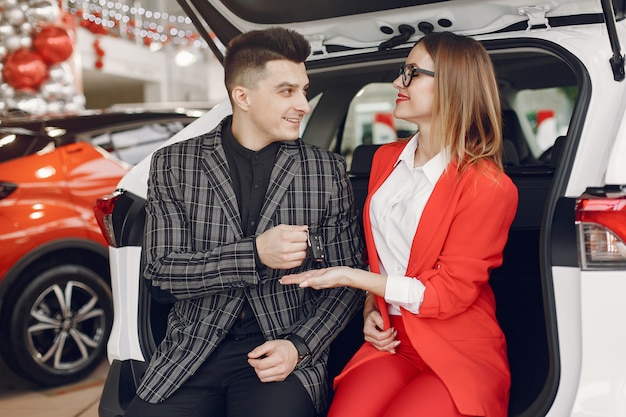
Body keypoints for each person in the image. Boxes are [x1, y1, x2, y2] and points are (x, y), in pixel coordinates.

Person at [123, 27, 366, 417]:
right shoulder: (173, 163)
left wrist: (300, 346)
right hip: (192, 350)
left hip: (281, 349)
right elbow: (161, 272)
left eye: (304, 90)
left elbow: (349, 280)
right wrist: (254, 254)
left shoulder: (325, 170)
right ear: (242, 96)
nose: (303, 104)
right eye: (287, 91)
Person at [280, 31, 519, 417]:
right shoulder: (384, 159)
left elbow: (447, 295)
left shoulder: (488, 187)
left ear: (453, 86)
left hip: (456, 349)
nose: (396, 82)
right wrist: (371, 306)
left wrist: (352, 278)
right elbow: (387, 257)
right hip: (390, 340)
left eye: (411, 73)